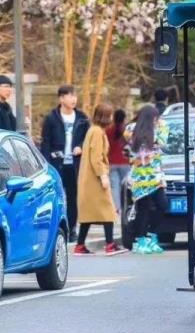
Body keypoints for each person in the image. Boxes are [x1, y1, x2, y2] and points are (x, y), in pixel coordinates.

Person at [74, 103, 125, 256]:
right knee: (107, 210)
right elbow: (96, 157)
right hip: (95, 179)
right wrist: (103, 175)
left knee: (89, 214)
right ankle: (110, 244)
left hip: (88, 179)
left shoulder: (93, 130)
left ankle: (80, 245)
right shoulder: (97, 132)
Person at [40, 85, 90, 242]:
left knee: (74, 198)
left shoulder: (82, 118)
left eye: (75, 96)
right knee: (57, 197)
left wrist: (80, 146)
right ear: (61, 98)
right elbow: (45, 143)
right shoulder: (51, 118)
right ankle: (57, 228)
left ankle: (72, 228)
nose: (73, 99)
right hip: (57, 164)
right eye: (69, 96)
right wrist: (47, 164)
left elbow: (87, 139)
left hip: (75, 165)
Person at [128, 104, 169, 254]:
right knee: (143, 210)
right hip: (139, 178)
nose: (158, 121)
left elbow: (163, 141)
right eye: (155, 118)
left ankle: (152, 236)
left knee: (163, 205)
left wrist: (157, 125)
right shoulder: (131, 130)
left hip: (156, 177)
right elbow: (130, 141)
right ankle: (140, 240)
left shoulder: (158, 130)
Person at [106, 109, 129, 215]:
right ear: (124, 118)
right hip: (125, 162)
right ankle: (126, 206)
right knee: (125, 186)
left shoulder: (108, 131)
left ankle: (117, 208)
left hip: (112, 162)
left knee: (115, 186)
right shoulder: (127, 131)